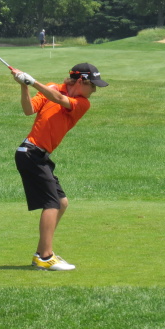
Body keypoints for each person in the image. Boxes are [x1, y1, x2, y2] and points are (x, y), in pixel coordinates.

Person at [12, 63, 108, 271]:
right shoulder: (52, 88)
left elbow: (59, 99)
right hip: (30, 153)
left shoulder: (82, 103)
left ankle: (41, 253)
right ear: (81, 81)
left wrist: (32, 81)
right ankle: (46, 257)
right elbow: (29, 110)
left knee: (61, 203)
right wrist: (24, 85)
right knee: (52, 203)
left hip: (39, 156)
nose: (94, 90)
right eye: (93, 85)